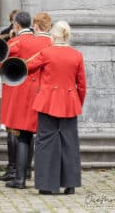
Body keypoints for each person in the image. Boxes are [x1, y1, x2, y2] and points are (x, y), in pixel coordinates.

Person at [27, 21, 86, 195]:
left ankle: (47, 185)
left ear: (53, 35)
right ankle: (70, 184)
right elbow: (82, 85)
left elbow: (28, 68)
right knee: (70, 143)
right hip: (69, 103)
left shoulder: (46, 52)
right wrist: (77, 102)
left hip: (47, 102)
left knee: (45, 142)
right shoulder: (77, 55)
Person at [2, 11, 51, 189]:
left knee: (24, 135)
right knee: (45, 137)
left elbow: (1, 59)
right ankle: (46, 180)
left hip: (27, 92)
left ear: (36, 26)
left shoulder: (22, 41)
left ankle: (20, 179)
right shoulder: (53, 43)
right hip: (48, 93)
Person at [0, 9, 20, 182]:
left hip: (17, 83)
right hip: (10, 80)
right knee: (14, 128)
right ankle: (18, 169)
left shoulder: (27, 37)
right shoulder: (5, 34)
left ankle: (16, 169)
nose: (13, 24)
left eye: (15, 22)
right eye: (11, 21)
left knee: (16, 127)